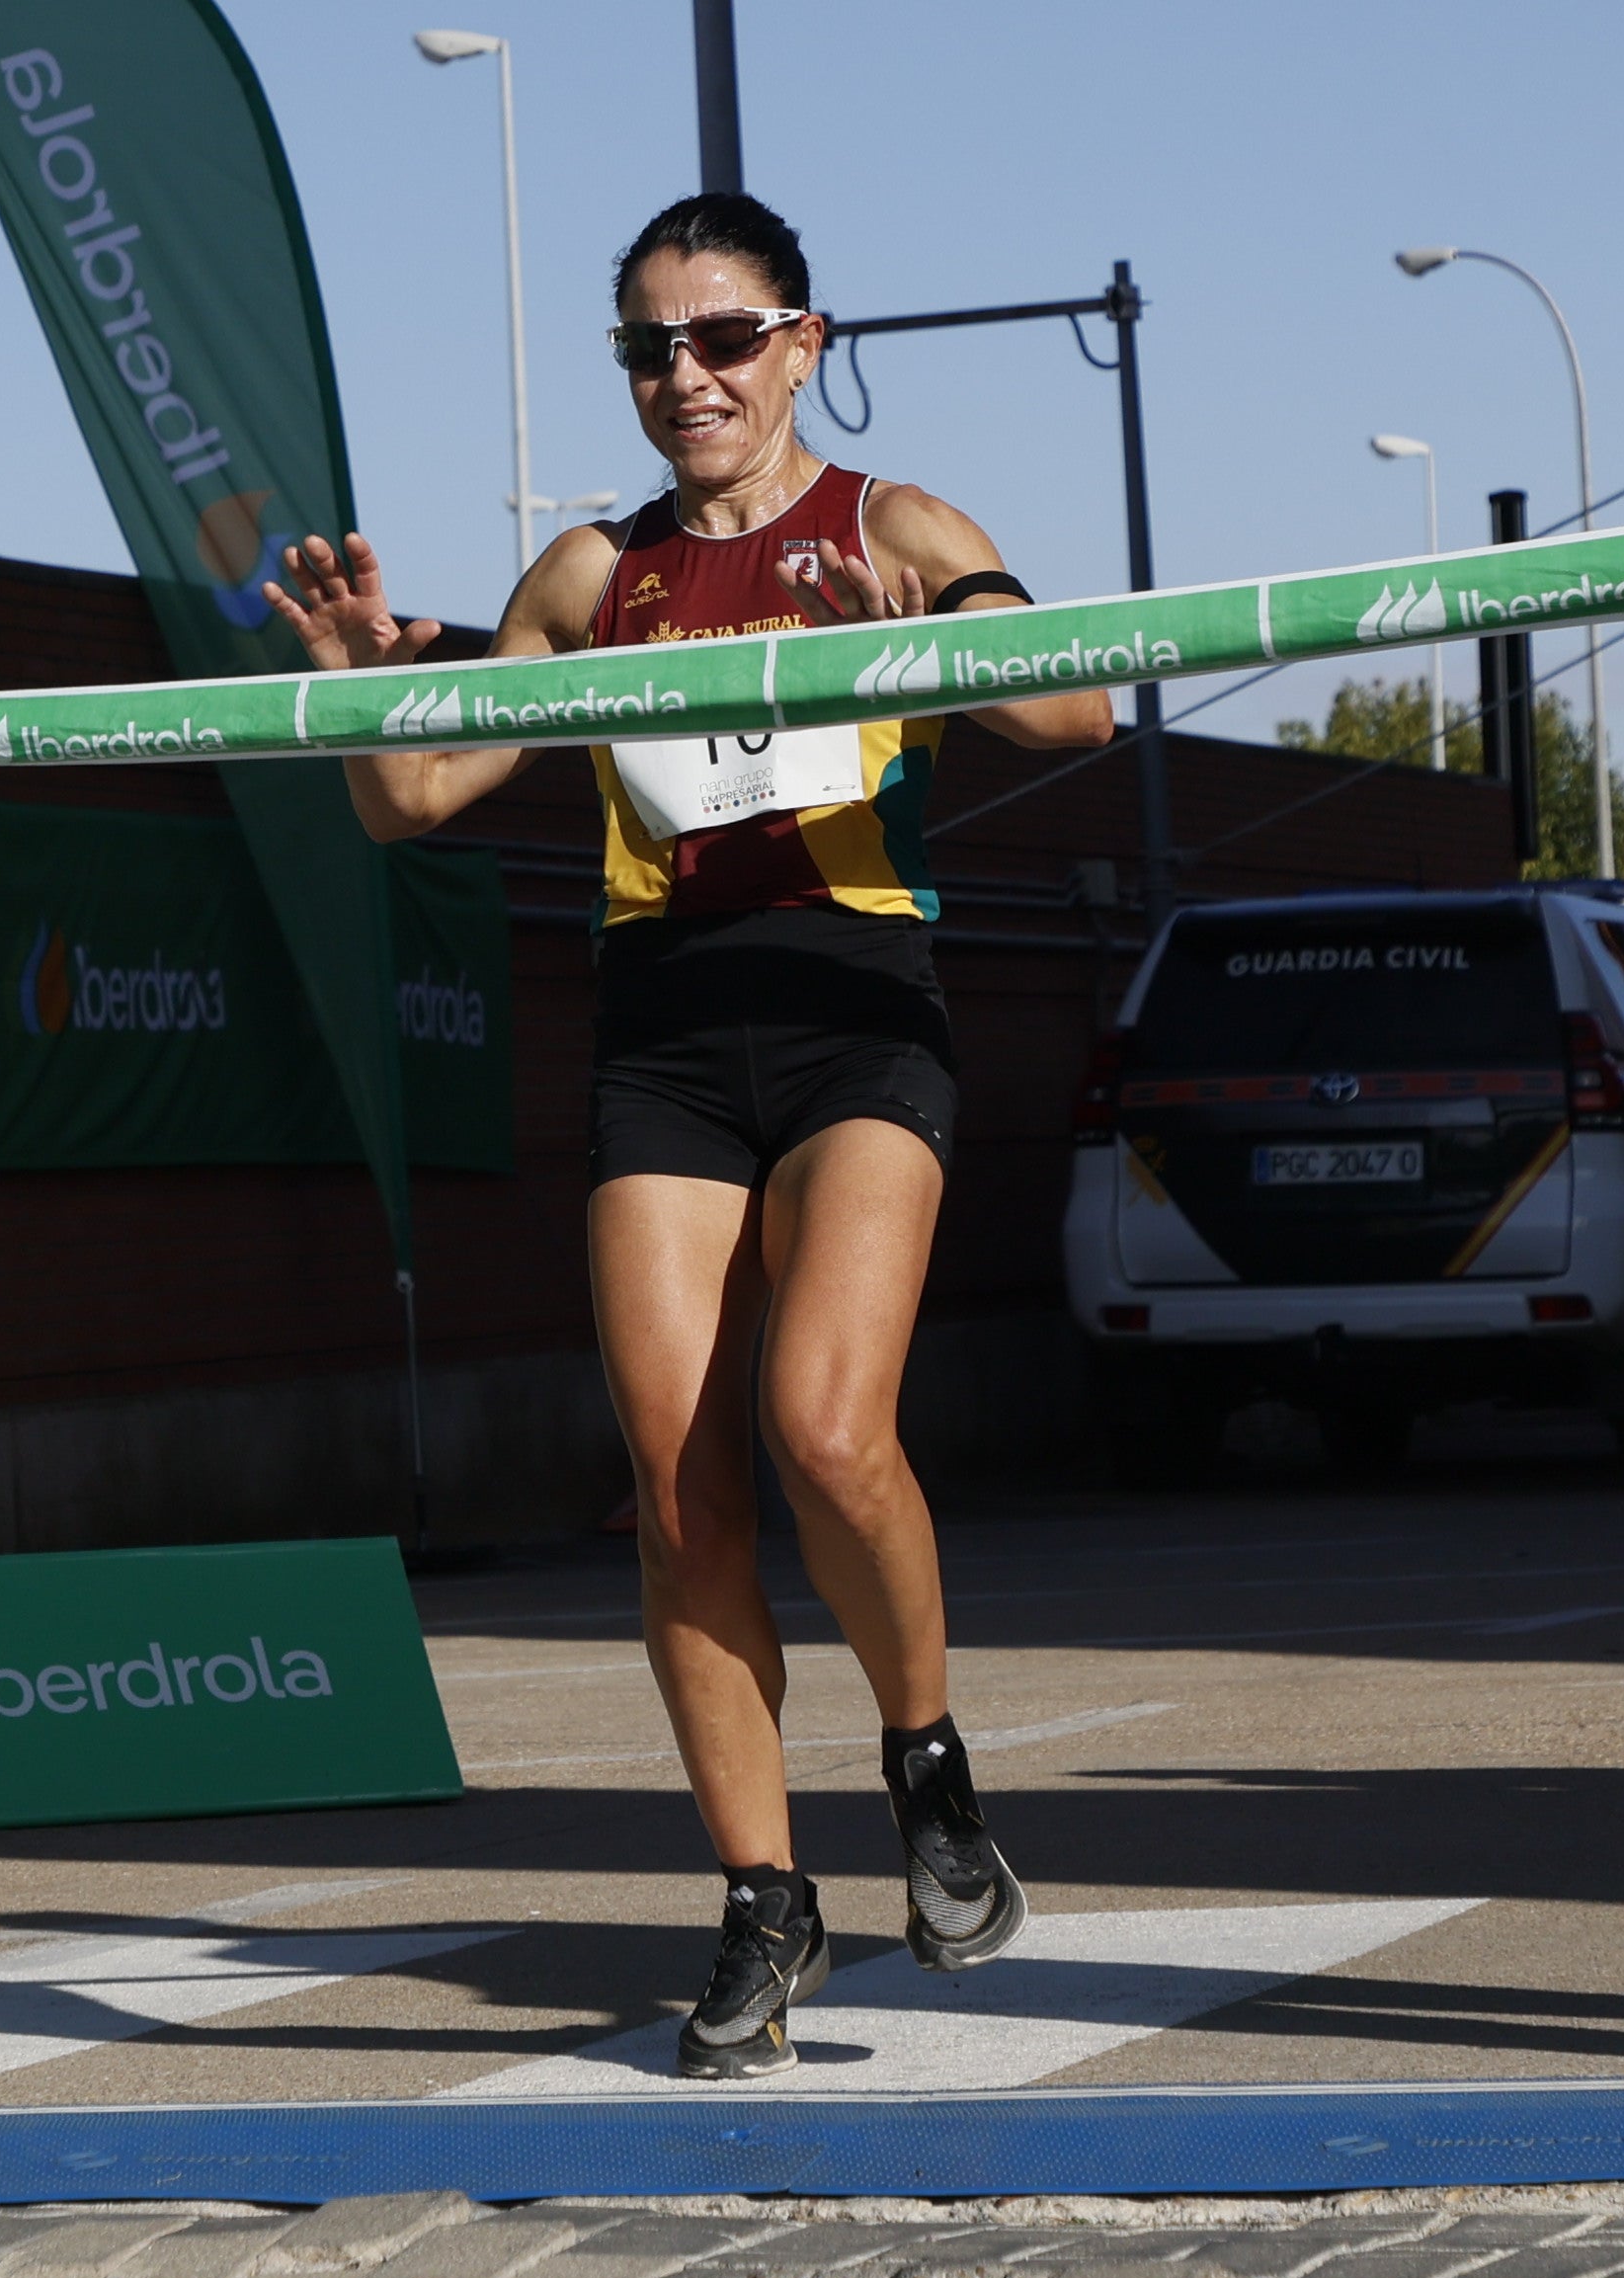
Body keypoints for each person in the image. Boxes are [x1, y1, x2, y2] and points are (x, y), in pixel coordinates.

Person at [276, 192, 1114, 2077]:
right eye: (649, 348)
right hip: (662, 1033)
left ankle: (927, 1765)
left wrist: (923, 649)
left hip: (856, 1008)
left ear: (802, 345)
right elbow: (412, 799)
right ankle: (763, 1900)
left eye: (724, 339)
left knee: (827, 1429)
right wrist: (353, 674)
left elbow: (1079, 713)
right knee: (675, 1493)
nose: (687, 377)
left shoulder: (897, 528)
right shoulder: (593, 576)